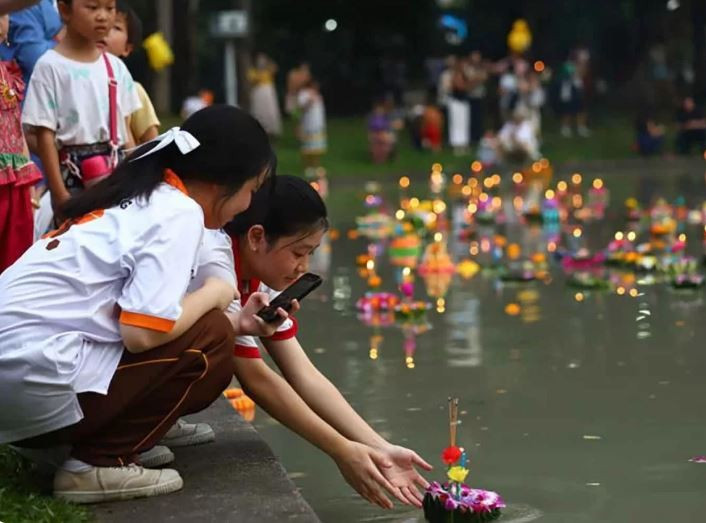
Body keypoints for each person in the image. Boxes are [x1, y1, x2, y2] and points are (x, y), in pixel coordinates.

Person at [0, 105, 283, 504]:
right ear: (225, 181)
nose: (249, 203)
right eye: (252, 189)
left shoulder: (143, 196)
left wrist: (235, 317)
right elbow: (141, 333)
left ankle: (67, 447)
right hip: (31, 387)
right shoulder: (177, 213)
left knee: (217, 325)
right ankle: (95, 463)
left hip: (15, 390)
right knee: (214, 338)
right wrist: (219, 294)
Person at [190, 175, 432, 510]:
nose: (304, 267)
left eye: (312, 254)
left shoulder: (261, 278)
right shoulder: (218, 268)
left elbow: (304, 374)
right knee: (216, 359)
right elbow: (256, 378)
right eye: (299, 253)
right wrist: (340, 449)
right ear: (257, 237)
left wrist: (378, 447)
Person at [23, 0, 141, 224]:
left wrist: (137, 178)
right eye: (92, 8)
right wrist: (60, 196)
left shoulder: (115, 68)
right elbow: (45, 135)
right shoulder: (50, 66)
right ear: (65, 10)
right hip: (71, 177)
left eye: (109, 9)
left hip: (114, 175)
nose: (103, 16)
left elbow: (125, 133)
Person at [0, 11, 41, 273]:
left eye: (2, 13)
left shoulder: (8, 71)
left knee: (13, 261)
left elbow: (16, 124)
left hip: (15, 180)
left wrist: (29, 182)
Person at [101, 0, 159, 145]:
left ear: (127, 48)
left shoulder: (134, 89)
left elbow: (151, 143)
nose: (105, 29)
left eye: (116, 27)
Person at [247, 52, 282, 138]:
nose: (261, 62)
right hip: (259, 95)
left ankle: (271, 131)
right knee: (259, 113)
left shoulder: (268, 70)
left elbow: (275, 68)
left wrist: (268, 63)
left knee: (270, 112)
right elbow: (253, 80)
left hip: (268, 95)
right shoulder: (252, 71)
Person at [297, 78, 327, 177]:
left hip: (317, 124)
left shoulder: (318, 95)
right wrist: (309, 101)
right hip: (308, 125)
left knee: (316, 148)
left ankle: (316, 166)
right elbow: (301, 108)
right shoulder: (303, 94)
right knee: (307, 148)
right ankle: (307, 167)